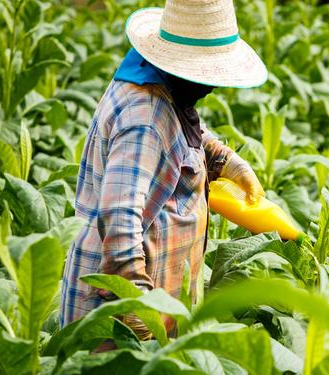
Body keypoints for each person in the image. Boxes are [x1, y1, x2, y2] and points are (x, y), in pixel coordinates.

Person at [60, 0, 267, 339]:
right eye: (206, 75)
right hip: (115, 322)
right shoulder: (145, 117)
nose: (212, 87)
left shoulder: (153, 80)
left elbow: (179, 133)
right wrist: (136, 308)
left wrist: (224, 160)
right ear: (179, 67)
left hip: (149, 305)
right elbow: (119, 216)